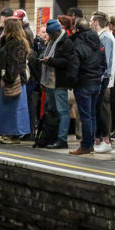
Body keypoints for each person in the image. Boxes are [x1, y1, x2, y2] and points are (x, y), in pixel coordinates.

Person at [0, 18, 31, 143]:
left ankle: (14, 135)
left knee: (14, 109)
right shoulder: (5, 41)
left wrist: (7, 78)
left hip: (12, 80)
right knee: (0, 108)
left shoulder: (18, 43)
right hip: (2, 79)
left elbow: (16, 63)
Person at [37, 18, 78, 149]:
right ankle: (51, 137)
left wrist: (51, 61)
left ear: (56, 32)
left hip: (60, 82)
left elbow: (68, 62)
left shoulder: (66, 43)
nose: (48, 36)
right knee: (51, 111)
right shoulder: (52, 41)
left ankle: (62, 139)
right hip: (49, 82)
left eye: (50, 33)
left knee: (63, 111)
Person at [70, 17, 106, 155]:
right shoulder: (98, 43)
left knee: (85, 117)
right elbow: (104, 64)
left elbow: (74, 68)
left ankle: (85, 145)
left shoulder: (78, 45)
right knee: (92, 115)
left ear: (77, 29)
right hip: (96, 83)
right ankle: (90, 143)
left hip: (83, 83)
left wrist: (72, 82)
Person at [91, 12, 115, 153]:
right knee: (99, 109)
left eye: (91, 21)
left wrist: (102, 77)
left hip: (103, 80)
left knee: (103, 110)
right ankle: (100, 138)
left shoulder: (105, 37)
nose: (89, 23)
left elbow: (105, 60)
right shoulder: (101, 36)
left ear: (96, 22)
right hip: (101, 79)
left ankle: (106, 139)